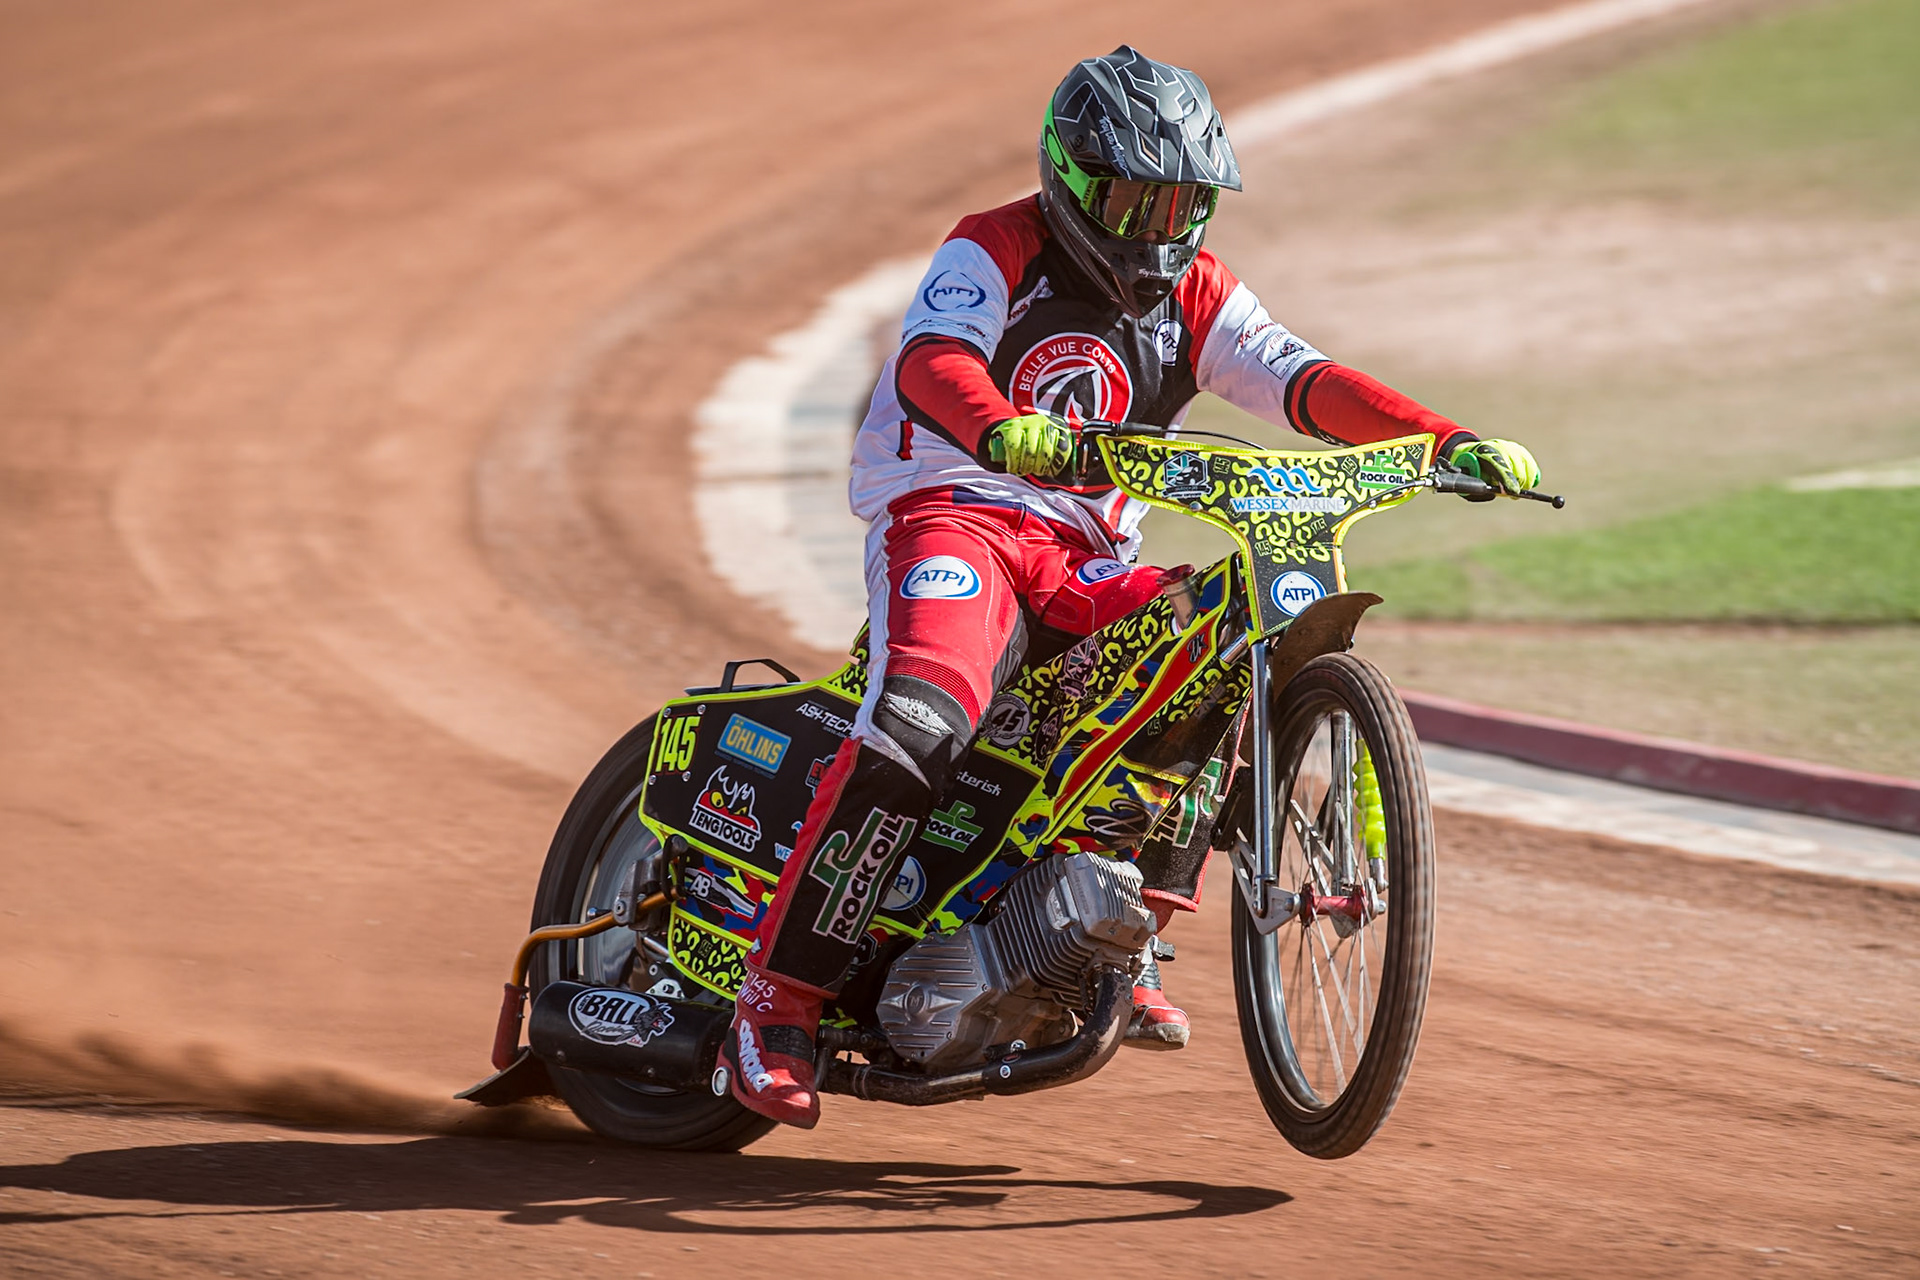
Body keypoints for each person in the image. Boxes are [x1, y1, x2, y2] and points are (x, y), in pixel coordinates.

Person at [722, 45, 1542, 1128]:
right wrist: (996, 427)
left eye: (1183, 204)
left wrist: (1444, 439)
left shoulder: (1200, 292)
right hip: (955, 510)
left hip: (1084, 553)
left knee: (1214, 650)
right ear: (1070, 180)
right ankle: (777, 1000)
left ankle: (1124, 929)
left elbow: (1304, 380)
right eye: (1133, 201)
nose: (1159, 229)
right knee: (924, 719)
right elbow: (932, 358)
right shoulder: (993, 245)